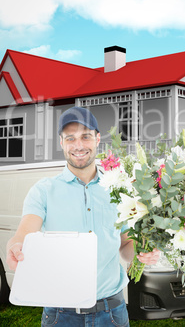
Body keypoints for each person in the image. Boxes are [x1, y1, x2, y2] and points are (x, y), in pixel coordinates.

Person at [6, 106, 160, 327]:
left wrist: (141, 251)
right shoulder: (43, 190)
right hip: (60, 314)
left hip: (112, 311)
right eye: (70, 138)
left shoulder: (120, 189)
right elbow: (24, 233)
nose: (78, 145)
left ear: (98, 139)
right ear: (61, 143)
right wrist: (15, 245)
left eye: (85, 137)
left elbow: (125, 244)